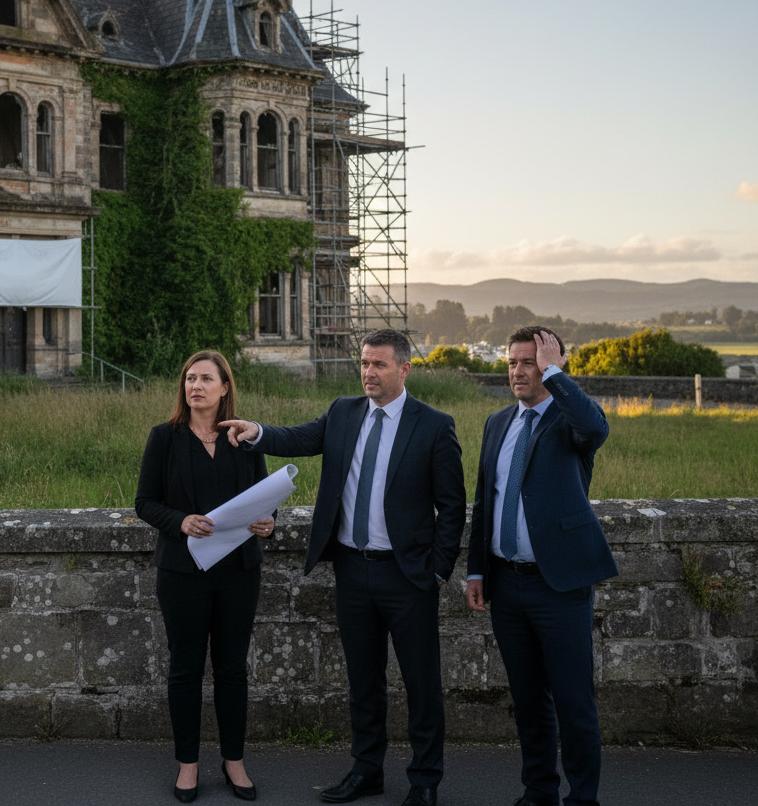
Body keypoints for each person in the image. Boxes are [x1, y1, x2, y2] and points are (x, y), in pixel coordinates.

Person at [222, 329, 466, 806]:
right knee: (363, 681)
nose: (368, 372)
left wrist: (437, 571)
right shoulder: (342, 412)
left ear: (404, 370)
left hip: (408, 576)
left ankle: (424, 780)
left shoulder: (434, 425)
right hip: (352, 571)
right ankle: (367, 770)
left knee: (421, 684)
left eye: (378, 364)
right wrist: (258, 432)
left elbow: (452, 507)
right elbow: (298, 438)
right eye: (364, 363)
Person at [466, 327, 618, 806]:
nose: (517, 371)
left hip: (560, 585)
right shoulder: (496, 423)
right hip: (506, 586)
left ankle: (583, 798)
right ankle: (539, 791)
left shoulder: (570, 423)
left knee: (574, 703)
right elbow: (484, 503)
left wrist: (557, 375)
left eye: (529, 361)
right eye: (512, 362)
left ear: (552, 365)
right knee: (529, 703)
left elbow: (596, 428)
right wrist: (475, 570)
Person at [136, 350, 274, 803]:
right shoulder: (164, 438)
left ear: (224, 388)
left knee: (232, 669)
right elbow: (145, 502)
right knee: (185, 669)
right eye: (190, 379)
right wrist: (180, 521)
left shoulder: (244, 441)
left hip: (238, 571)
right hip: (182, 572)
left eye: (206, 379)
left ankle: (234, 761)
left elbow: (264, 500)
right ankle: (188, 766)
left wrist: (267, 523)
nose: (196, 386)